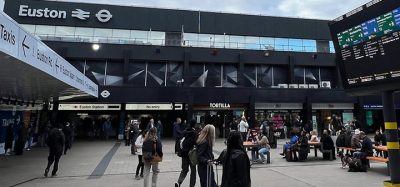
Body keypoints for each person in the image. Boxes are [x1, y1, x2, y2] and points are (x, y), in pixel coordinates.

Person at [175, 120, 198, 187]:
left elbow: (180, 141)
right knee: (193, 171)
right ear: (194, 125)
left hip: (184, 154)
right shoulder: (194, 133)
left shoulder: (184, 132)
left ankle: (179, 182)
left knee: (184, 169)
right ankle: (191, 185)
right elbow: (196, 143)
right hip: (191, 154)